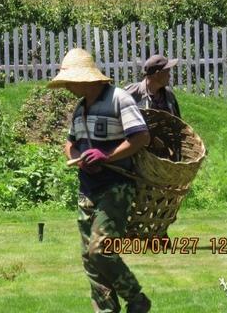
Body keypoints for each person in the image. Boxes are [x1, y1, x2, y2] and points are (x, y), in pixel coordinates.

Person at [48, 48, 152, 313]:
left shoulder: (120, 99)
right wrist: (80, 157)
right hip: (87, 189)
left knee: (101, 249)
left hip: (115, 187)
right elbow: (69, 145)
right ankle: (105, 310)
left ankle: (136, 299)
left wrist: (105, 156)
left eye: (70, 80)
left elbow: (140, 137)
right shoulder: (80, 108)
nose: (68, 86)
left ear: (85, 78)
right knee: (89, 259)